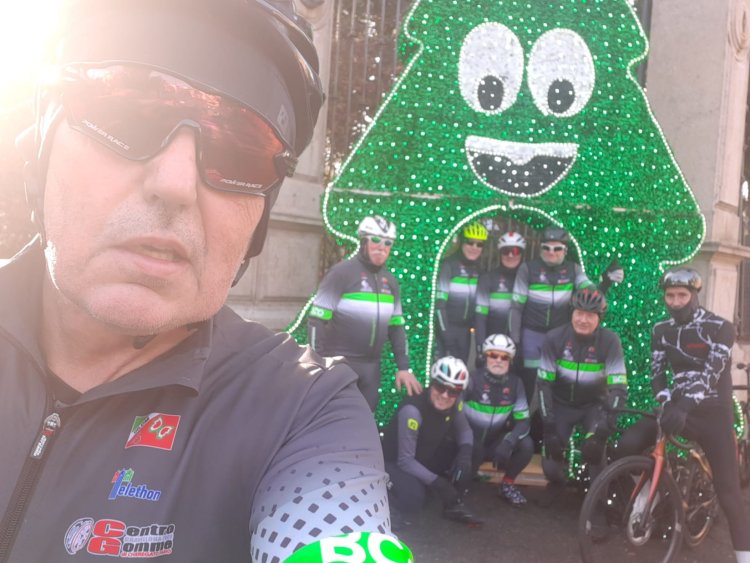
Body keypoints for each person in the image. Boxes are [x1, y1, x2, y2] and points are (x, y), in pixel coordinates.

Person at [0, 1, 393, 561]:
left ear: (259, 219)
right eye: (126, 112)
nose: (176, 182)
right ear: (41, 142)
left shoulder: (303, 413)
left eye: (240, 149)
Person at [615, 268, 750, 561]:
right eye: (670, 296)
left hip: (713, 413)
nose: (675, 302)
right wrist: (666, 403)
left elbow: (711, 375)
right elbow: (656, 373)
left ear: (694, 295)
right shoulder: (661, 330)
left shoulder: (721, 327)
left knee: (729, 493)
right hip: (677, 407)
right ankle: (650, 490)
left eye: (681, 295)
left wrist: (684, 406)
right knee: (628, 443)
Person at [307, 215, 422, 410]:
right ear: (363, 242)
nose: (382, 247)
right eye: (375, 240)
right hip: (340, 365)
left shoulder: (390, 282)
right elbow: (316, 320)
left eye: (388, 243)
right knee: (336, 420)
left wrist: (403, 367)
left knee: (366, 420)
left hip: (371, 369)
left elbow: (397, 329)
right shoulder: (341, 273)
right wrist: (316, 362)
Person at [509, 226, 623, 402]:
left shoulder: (573, 269)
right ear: (540, 249)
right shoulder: (528, 269)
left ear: (565, 250)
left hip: (559, 334)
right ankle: (523, 416)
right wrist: (515, 341)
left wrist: (605, 282)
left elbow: (590, 291)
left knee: (556, 381)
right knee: (528, 380)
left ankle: (548, 415)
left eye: (557, 248)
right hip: (532, 334)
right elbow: (516, 307)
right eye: (546, 248)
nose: (551, 252)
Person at [537, 287, 627, 501]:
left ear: (599, 318)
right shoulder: (554, 338)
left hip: (593, 407)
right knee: (550, 465)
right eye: (579, 313)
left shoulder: (610, 341)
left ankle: (597, 506)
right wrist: (549, 427)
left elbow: (619, 388)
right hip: (562, 405)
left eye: (590, 315)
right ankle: (561, 485)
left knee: (596, 455)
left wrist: (602, 432)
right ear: (572, 313)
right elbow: (543, 386)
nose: (583, 320)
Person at [382, 356, 482, 528]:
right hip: (395, 463)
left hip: (424, 453)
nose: (445, 395)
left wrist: (465, 455)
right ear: (432, 382)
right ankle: (385, 505)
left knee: (475, 450)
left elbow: (465, 431)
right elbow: (405, 461)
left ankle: (453, 504)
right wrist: (438, 483)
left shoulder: (456, 402)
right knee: (413, 500)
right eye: (440, 387)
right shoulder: (412, 411)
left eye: (453, 391)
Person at [463, 334, 533, 506]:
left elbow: (523, 421)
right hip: (470, 442)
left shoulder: (516, 384)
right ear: (485, 357)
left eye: (504, 357)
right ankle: (462, 481)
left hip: (494, 443)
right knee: (469, 465)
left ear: (511, 361)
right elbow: (454, 414)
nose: (499, 361)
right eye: (493, 355)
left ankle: (507, 484)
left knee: (526, 445)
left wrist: (509, 441)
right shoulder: (471, 379)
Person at [435, 221, 487, 364]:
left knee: (461, 371)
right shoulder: (448, 266)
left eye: (479, 244)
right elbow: (439, 306)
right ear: (461, 243)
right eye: (470, 242)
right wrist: (446, 336)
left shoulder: (479, 270)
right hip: (446, 329)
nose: (474, 248)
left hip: (465, 332)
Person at [474, 231, 526, 366]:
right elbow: (480, 318)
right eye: (506, 251)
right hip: (492, 342)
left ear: (521, 254)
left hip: (520, 342)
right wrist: (480, 346)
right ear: (500, 253)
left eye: (515, 251)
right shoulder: (487, 278)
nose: (510, 255)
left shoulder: (528, 279)